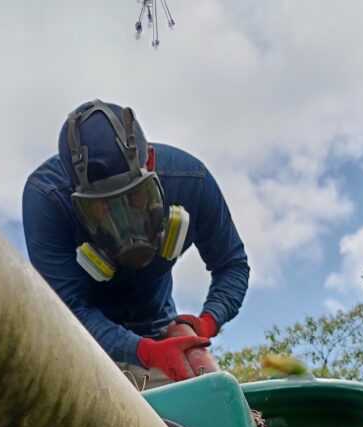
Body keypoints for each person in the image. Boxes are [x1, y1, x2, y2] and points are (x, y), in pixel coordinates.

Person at [22, 99, 249, 387]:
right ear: (73, 191)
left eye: (134, 196)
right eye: (102, 206)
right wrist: (144, 353)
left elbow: (232, 265)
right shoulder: (47, 199)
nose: (123, 220)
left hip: (159, 332)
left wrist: (206, 321)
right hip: (78, 337)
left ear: (149, 162)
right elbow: (69, 308)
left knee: (213, 404)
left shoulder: (190, 182)